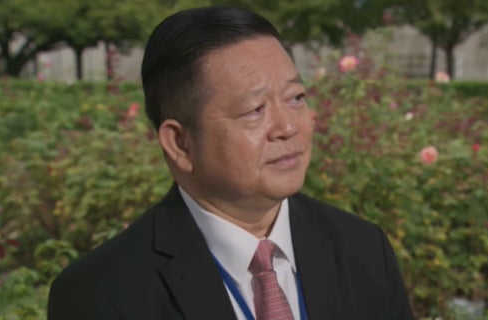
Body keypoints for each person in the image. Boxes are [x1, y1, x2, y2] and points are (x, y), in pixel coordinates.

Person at [47, 6, 414, 320]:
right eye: (255, 110)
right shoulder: (103, 293)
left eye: (296, 97)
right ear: (180, 142)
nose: (287, 127)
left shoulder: (362, 250)